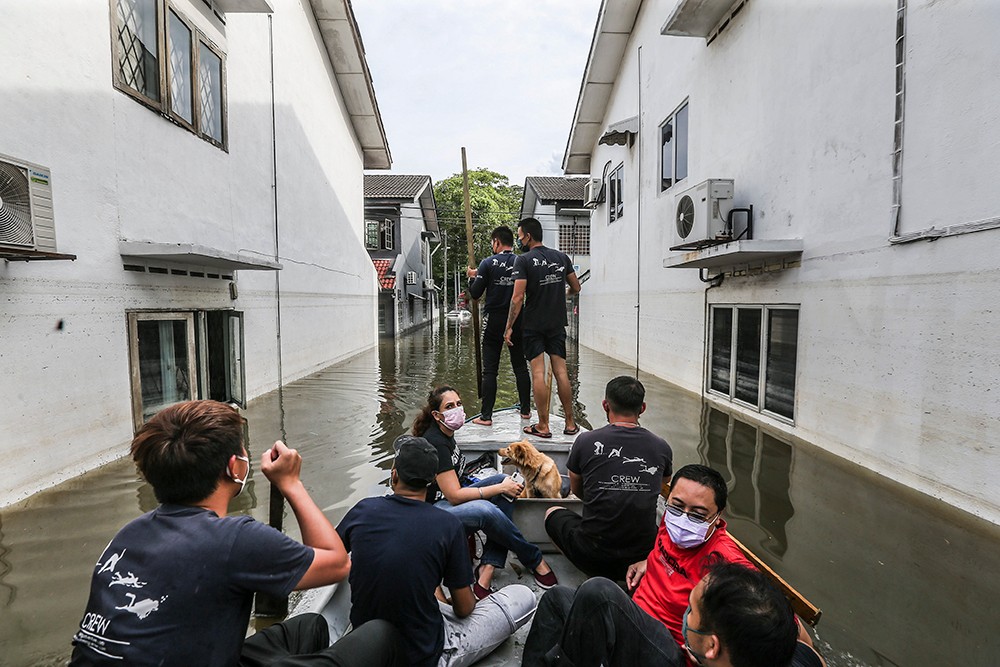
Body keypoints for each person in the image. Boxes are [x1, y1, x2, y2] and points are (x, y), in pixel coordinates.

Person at [69, 400, 401, 667]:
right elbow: (337, 563)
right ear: (235, 467)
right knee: (380, 634)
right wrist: (290, 483)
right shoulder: (234, 538)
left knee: (309, 626)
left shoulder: (127, 535)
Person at [337, 435, 537, 667]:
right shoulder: (447, 525)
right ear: (433, 481)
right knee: (524, 597)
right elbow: (464, 609)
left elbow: (330, 554)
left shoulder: (362, 509)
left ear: (394, 476)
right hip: (424, 655)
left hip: (365, 648)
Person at [521, 562, 825, 667]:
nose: (687, 614)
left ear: (713, 646)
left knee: (597, 593)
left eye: (690, 610)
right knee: (558, 598)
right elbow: (810, 651)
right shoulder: (794, 654)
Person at [414, 385, 557, 596]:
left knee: (505, 481)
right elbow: (454, 496)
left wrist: (500, 486)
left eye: (459, 404)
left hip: (448, 501)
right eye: (450, 406)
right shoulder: (436, 442)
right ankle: (533, 558)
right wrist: (497, 489)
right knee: (486, 508)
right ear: (436, 415)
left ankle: (488, 566)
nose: (457, 410)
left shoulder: (447, 433)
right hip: (435, 513)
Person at [544, 375, 673, 582]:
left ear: (605, 405)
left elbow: (578, 491)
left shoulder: (585, 441)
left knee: (551, 513)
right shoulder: (661, 447)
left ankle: (589, 570)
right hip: (643, 557)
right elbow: (662, 484)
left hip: (593, 557)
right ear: (643, 408)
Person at [628, 464, 753, 649]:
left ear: (718, 516)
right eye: (677, 506)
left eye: (698, 515)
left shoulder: (726, 561)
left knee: (599, 592)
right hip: (636, 610)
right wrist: (649, 561)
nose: (683, 520)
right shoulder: (671, 519)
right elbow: (673, 554)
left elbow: (779, 622)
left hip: (670, 647)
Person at [504, 217, 581, 438]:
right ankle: (570, 423)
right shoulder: (561, 257)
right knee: (561, 372)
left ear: (528, 236)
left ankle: (543, 426)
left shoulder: (523, 260)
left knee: (538, 373)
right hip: (556, 322)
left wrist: (509, 327)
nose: (519, 239)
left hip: (533, 324)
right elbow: (576, 287)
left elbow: (518, 297)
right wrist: (563, 294)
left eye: (519, 235)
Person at [465, 225, 532, 425]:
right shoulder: (522, 261)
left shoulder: (488, 263)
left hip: (494, 319)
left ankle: (486, 416)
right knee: (520, 367)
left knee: (490, 370)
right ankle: (526, 411)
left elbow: (475, 294)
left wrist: (473, 278)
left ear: (496, 242)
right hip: (518, 318)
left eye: (492, 242)